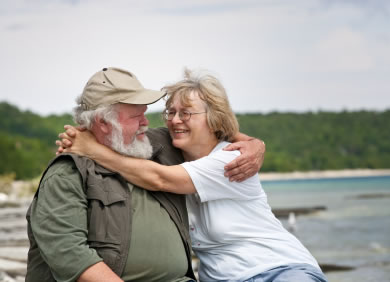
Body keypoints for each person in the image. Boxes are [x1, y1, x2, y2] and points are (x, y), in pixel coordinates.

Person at [58, 69, 328, 282]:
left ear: (214, 119)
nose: (175, 120)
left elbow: (159, 179)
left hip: (279, 270)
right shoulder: (167, 150)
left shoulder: (232, 158)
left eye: (186, 113)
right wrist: (86, 139)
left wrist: (90, 149)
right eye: (171, 112)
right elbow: (120, 137)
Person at [26, 67, 264, 282]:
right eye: (135, 116)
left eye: (146, 113)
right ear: (103, 122)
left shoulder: (153, 146)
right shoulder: (67, 174)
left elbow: (207, 130)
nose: (145, 122)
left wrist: (253, 143)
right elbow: (69, 255)